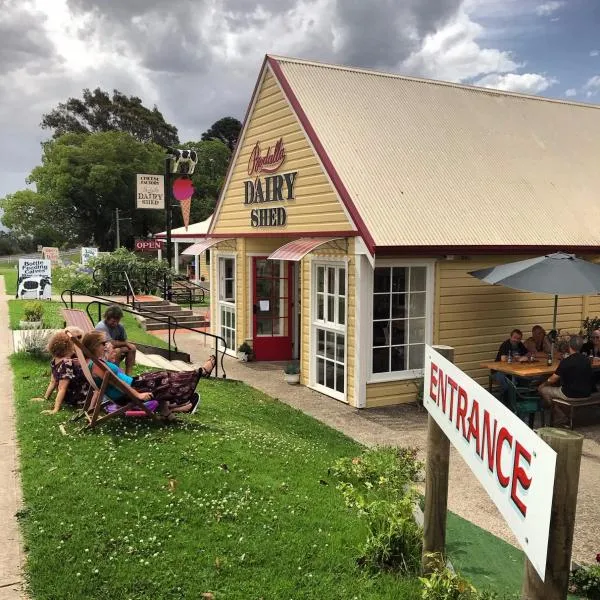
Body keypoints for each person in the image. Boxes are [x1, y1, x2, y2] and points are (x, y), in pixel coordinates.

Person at [81, 332, 205, 417]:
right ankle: (199, 373)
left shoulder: (94, 363)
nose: (105, 346)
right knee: (165, 379)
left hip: (133, 385)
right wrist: (138, 395)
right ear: (95, 346)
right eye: (103, 343)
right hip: (131, 391)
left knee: (163, 376)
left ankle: (170, 409)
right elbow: (117, 383)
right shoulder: (97, 365)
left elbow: (114, 381)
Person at [538, 335, 594, 425]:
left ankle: (561, 415)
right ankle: (565, 412)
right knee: (556, 388)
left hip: (570, 394)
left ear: (569, 346)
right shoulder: (587, 360)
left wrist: (543, 384)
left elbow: (553, 379)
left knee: (543, 389)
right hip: (586, 393)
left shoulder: (566, 361)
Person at [33, 331, 90, 415]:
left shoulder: (56, 361)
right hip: (77, 397)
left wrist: (55, 408)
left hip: (79, 397)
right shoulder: (66, 364)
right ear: (68, 348)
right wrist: (47, 400)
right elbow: (58, 386)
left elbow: (57, 385)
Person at [95, 305, 137, 375]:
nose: (116, 323)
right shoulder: (101, 327)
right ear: (107, 318)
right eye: (113, 321)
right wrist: (125, 344)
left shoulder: (119, 327)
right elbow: (111, 344)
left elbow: (124, 340)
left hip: (110, 350)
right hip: (101, 353)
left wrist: (126, 344)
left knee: (132, 348)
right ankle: (115, 375)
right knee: (117, 351)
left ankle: (129, 375)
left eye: (118, 321)